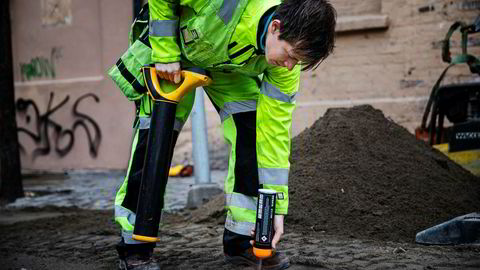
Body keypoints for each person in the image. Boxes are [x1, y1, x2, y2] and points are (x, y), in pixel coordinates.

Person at [108, 0, 336, 269]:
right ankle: (135, 246)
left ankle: (243, 241)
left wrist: (276, 207)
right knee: (155, 138)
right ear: (276, 27)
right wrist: (165, 52)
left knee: (251, 132)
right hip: (177, 48)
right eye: (290, 56)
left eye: (297, 62)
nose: (289, 66)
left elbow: (273, 133)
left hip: (229, 65)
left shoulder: (286, 65)